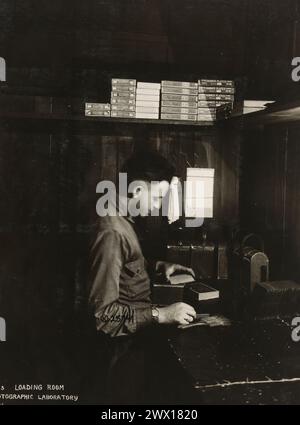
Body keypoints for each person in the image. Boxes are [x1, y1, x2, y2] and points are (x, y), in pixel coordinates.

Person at [87, 150, 196, 404]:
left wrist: (158, 265)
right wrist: (162, 314)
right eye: (158, 197)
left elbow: (124, 265)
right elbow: (102, 316)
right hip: (120, 353)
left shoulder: (122, 219)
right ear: (137, 190)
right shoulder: (111, 232)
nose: (158, 206)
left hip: (132, 345)